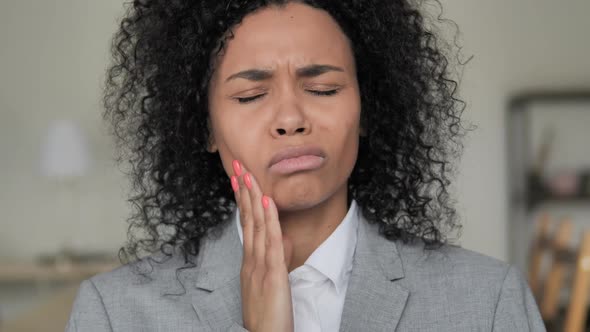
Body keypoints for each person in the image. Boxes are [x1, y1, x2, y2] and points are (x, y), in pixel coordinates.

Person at [67, 0, 545, 331]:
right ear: (205, 128)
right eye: (251, 95)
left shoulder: (486, 301)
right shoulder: (116, 313)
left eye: (323, 89)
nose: (291, 119)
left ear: (367, 108)